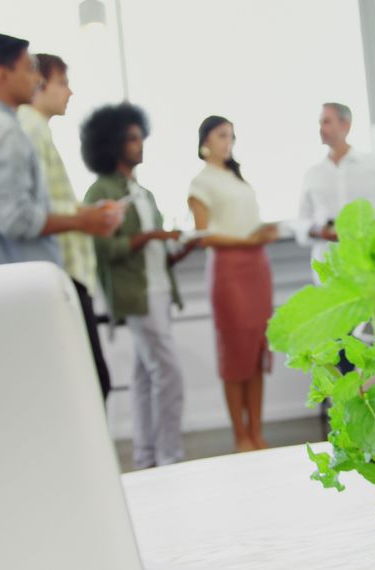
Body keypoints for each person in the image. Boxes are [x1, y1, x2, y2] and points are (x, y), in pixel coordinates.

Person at [0, 34, 123, 401]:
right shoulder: (6, 133)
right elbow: (16, 221)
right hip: (26, 287)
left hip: (9, 287)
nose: (36, 78)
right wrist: (84, 222)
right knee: (80, 387)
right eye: (30, 68)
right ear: (1, 74)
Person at [82, 102, 196, 469]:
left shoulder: (142, 192)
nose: (139, 144)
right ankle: (169, 457)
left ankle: (148, 457)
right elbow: (103, 249)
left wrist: (179, 247)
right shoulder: (102, 190)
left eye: (140, 136)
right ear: (113, 143)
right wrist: (149, 236)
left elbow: (156, 253)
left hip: (159, 289)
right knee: (168, 372)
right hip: (137, 295)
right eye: (132, 138)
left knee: (146, 375)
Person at [16, 53, 113, 402]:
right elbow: (31, 211)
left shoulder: (37, 129)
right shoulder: (27, 129)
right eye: (63, 83)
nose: (69, 92)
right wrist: (84, 218)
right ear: (38, 85)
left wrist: (86, 213)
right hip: (61, 270)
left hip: (68, 270)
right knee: (90, 382)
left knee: (91, 380)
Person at [187, 116, 279, 452]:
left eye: (232, 136)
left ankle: (256, 431)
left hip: (257, 269)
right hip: (229, 271)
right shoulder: (201, 183)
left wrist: (264, 234)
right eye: (222, 135)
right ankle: (240, 435)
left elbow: (248, 223)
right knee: (234, 352)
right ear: (205, 141)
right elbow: (203, 236)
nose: (229, 142)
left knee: (256, 351)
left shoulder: (238, 179)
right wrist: (248, 240)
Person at [298, 102, 375, 274]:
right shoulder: (312, 174)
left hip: (371, 261)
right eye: (320, 123)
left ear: (345, 124)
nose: (321, 128)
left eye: (326, 122)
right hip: (329, 265)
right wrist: (318, 230)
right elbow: (302, 220)